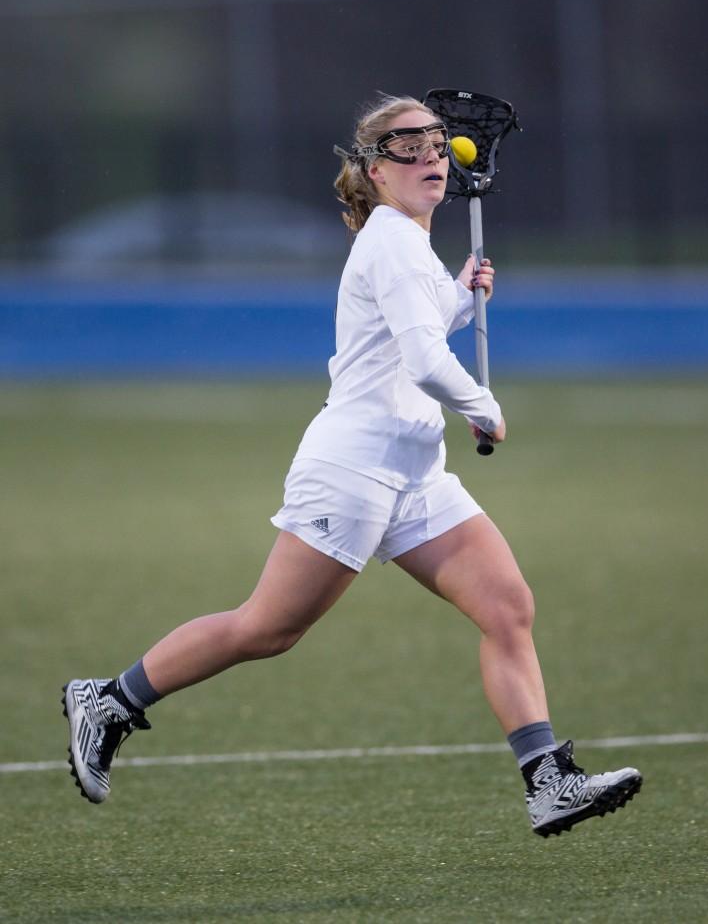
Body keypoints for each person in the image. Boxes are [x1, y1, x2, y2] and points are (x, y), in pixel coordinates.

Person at [63, 93, 642, 837]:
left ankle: (547, 782)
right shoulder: (393, 243)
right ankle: (108, 700)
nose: (430, 154)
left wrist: (462, 298)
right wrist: (479, 407)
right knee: (267, 629)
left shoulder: (409, 244)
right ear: (374, 169)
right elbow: (424, 360)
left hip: (413, 473)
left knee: (506, 607)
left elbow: (421, 327)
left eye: (436, 141)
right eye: (407, 145)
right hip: (355, 466)